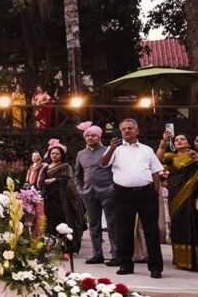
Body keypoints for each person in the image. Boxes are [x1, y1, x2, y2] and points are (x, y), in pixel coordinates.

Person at [100, 118, 164, 278]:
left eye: (130, 128)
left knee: (151, 231)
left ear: (137, 131)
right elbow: (102, 163)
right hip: (123, 194)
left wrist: (155, 192)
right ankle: (125, 264)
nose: (127, 131)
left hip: (146, 194)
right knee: (124, 231)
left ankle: (155, 267)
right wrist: (112, 149)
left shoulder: (147, 150)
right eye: (124, 129)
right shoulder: (115, 149)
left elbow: (156, 170)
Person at [74, 123, 119, 266]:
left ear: (99, 136)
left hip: (107, 191)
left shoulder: (109, 151)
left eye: (93, 135)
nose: (90, 137)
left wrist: (113, 187)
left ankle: (116, 254)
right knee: (93, 224)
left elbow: (116, 170)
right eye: (87, 135)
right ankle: (97, 254)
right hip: (88, 193)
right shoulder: (80, 154)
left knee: (112, 224)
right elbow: (77, 175)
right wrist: (80, 190)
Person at [156, 131, 198, 271]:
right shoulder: (170, 156)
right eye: (177, 140)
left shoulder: (194, 155)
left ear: (189, 142)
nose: (179, 141)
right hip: (175, 194)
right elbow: (157, 159)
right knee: (178, 223)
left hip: (192, 193)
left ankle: (194, 260)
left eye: (183, 139)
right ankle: (181, 260)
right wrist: (164, 142)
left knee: (192, 223)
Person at [37, 145, 84, 254]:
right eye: (52, 153)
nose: (54, 155)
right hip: (49, 199)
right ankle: (53, 245)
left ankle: (67, 246)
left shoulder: (65, 166)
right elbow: (41, 181)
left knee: (63, 220)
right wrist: (46, 182)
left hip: (62, 199)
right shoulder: (46, 167)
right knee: (50, 221)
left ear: (61, 155)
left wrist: (54, 179)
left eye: (57, 153)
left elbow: (66, 180)